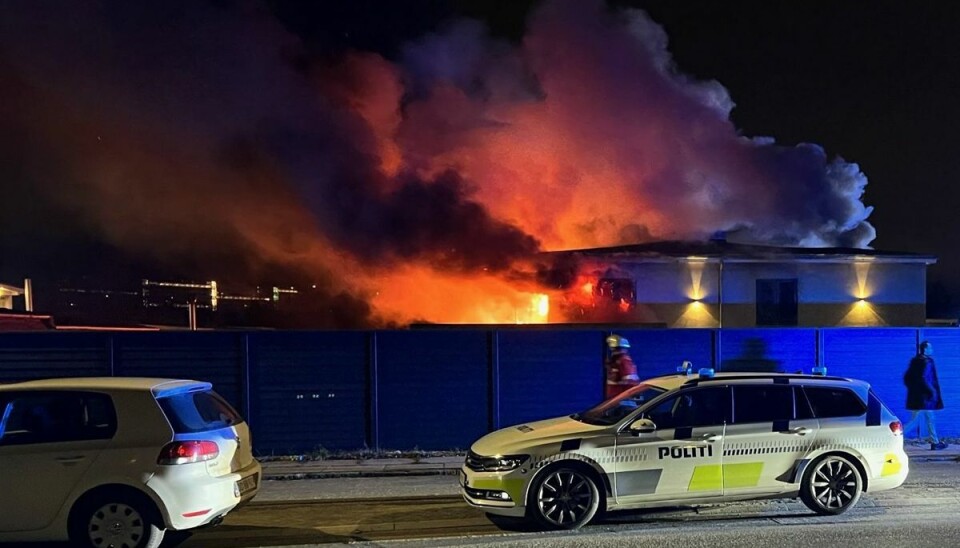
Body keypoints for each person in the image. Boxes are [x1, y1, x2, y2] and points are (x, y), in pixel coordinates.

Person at [903, 340, 947, 450]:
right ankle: (895, 437)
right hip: (925, 398)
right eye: (930, 348)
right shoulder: (927, 362)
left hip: (917, 397)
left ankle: (935, 442)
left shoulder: (915, 361)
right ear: (925, 349)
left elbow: (907, 377)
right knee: (915, 421)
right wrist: (932, 391)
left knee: (930, 418)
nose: (932, 350)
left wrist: (914, 389)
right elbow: (925, 378)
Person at [605, 334, 639, 399]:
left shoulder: (623, 360)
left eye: (615, 349)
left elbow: (630, 381)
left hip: (621, 398)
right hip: (614, 397)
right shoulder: (614, 361)